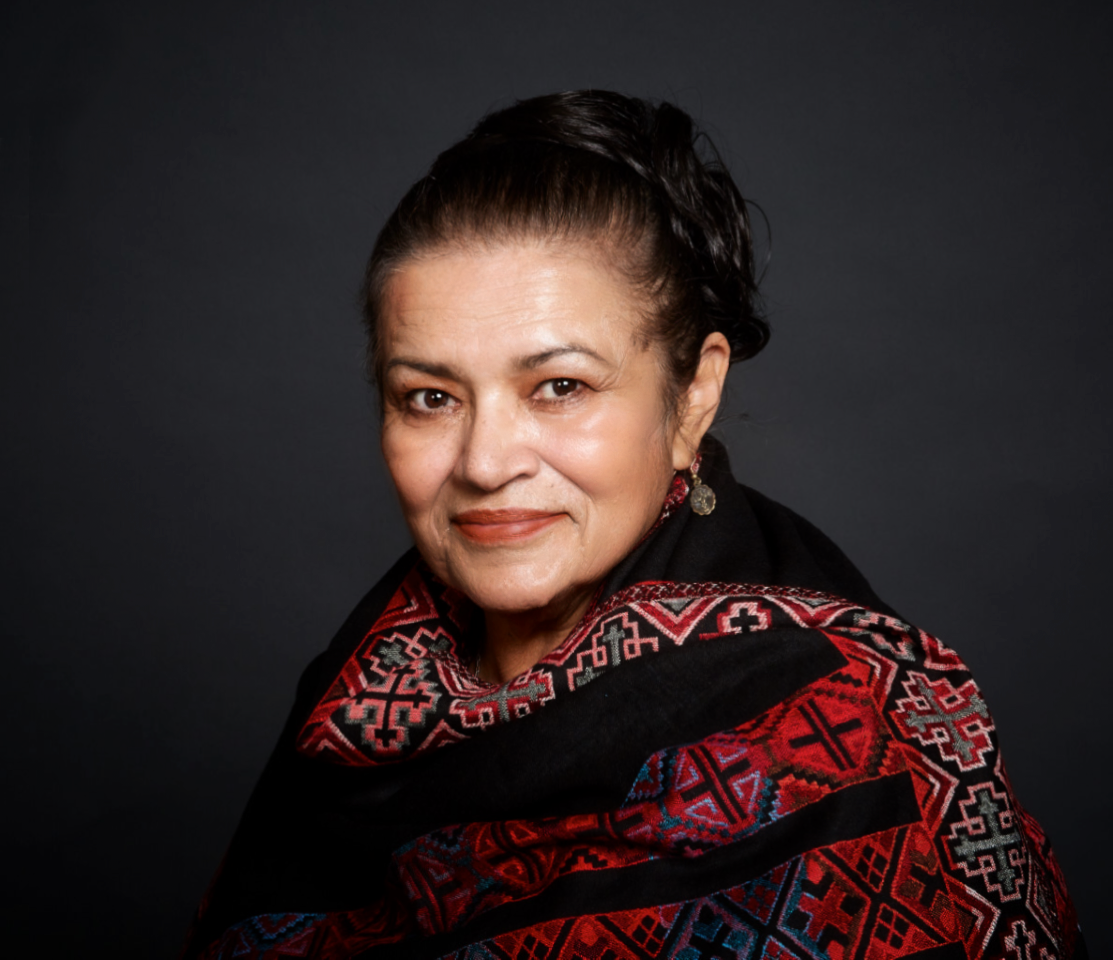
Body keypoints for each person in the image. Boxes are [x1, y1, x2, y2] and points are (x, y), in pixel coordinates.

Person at [181, 91, 1085, 959]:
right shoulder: (350, 707)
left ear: (693, 395)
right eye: (429, 397)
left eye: (559, 387)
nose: (485, 463)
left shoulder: (855, 730)